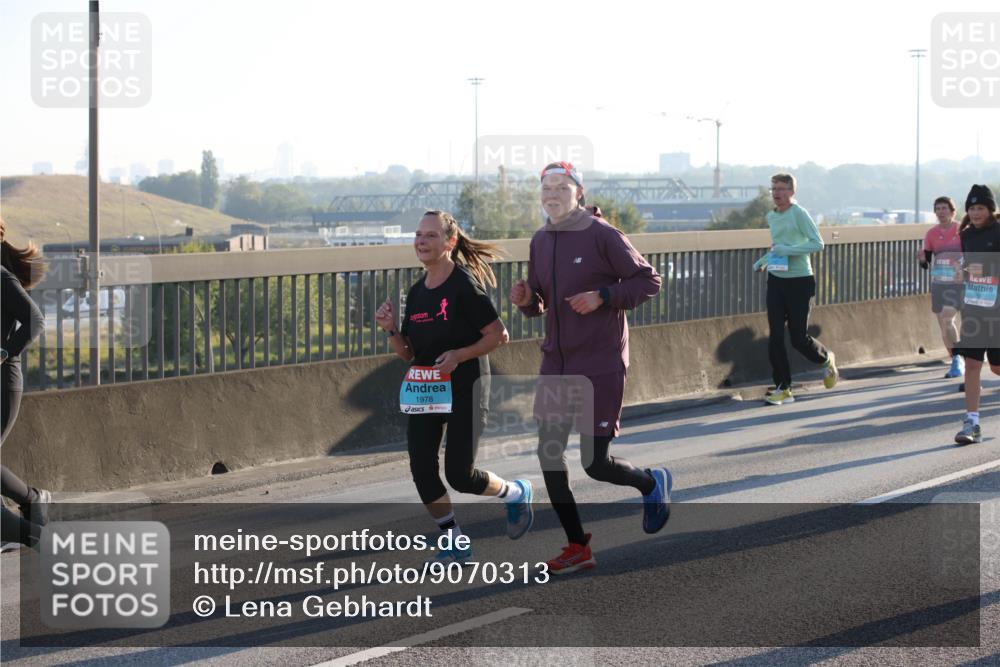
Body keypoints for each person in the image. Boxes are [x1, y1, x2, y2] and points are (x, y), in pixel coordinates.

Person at [509, 161, 671, 575]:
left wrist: (603, 296)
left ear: (579, 192)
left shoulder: (603, 235)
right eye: (546, 188)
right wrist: (526, 300)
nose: (552, 194)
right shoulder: (541, 239)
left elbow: (648, 281)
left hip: (600, 361)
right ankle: (577, 545)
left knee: (595, 464)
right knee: (549, 455)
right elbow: (541, 303)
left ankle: (650, 483)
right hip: (556, 361)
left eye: (561, 187)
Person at [376, 210, 533, 565]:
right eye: (418, 235)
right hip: (427, 391)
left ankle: (515, 493)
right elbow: (410, 353)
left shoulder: (463, 285)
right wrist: (391, 330)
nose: (421, 241)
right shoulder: (417, 292)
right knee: (422, 469)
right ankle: (454, 541)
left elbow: (499, 335)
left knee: (460, 476)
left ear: (449, 242)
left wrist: (459, 356)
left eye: (430, 235)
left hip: (466, 386)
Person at [753, 173, 838, 405]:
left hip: (800, 281)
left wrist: (787, 250)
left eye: (781, 189)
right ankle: (784, 388)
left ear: (791, 192)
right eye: (774, 189)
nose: (777, 193)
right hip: (776, 279)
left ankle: (826, 359)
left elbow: (817, 244)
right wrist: (763, 261)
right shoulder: (772, 216)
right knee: (775, 336)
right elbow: (777, 248)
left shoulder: (799, 213)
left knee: (798, 338)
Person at [1, 217, 50, 549]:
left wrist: (5, 351)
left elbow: (35, 319)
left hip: (3, 384)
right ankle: (29, 506)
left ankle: (32, 507)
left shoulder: (1, 277)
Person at [952, 185, 1000, 446]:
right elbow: (967, 265)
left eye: (981, 207)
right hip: (973, 309)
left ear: (990, 209)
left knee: (996, 367)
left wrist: (987, 269)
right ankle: (972, 423)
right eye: (972, 208)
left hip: (997, 310)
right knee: (972, 365)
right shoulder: (966, 235)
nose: (976, 212)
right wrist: (961, 272)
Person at [919, 196, 964, 379]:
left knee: (947, 318)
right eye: (938, 208)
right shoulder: (931, 233)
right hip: (939, 283)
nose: (941, 212)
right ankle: (955, 360)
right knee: (944, 326)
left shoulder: (962, 229)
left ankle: (960, 356)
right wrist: (922, 260)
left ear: (953, 212)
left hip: (959, 282)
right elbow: (927, 261)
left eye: (944, 208)